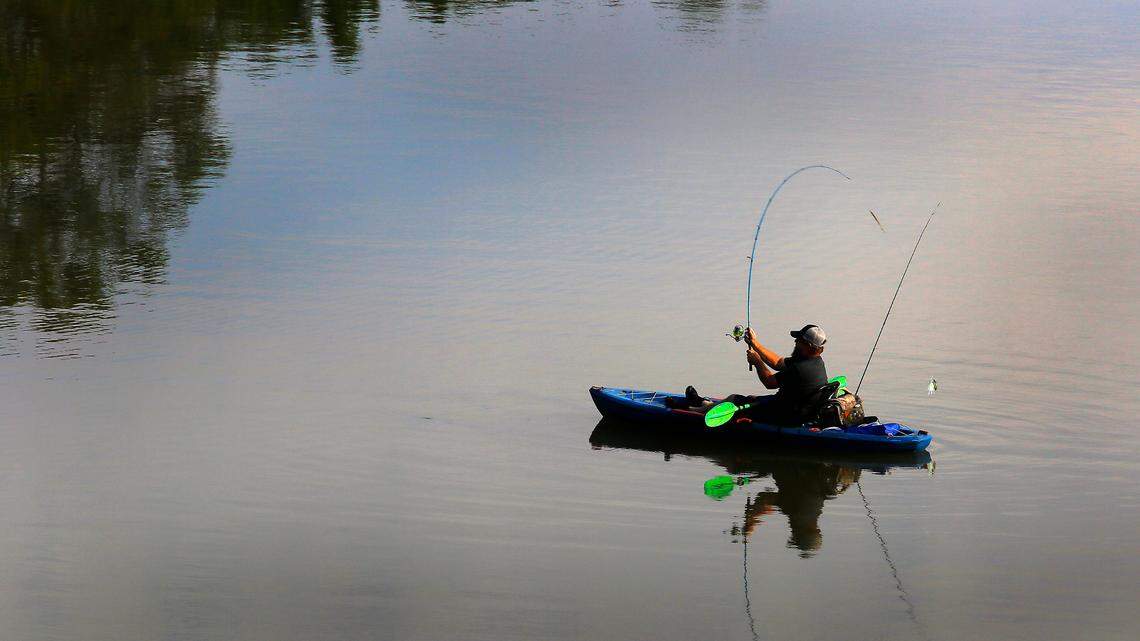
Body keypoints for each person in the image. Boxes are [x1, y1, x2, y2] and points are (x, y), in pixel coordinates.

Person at [668, 324, 830, 425]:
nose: (795, 342)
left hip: (785, 415)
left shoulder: (800, 369)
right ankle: (703, 403)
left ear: (808, 345)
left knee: (734, 401)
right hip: (791, 409)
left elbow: (769, 382)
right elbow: (778, 362)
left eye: (799, 340)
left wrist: (757, 361)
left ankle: (689, 411)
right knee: (750, 399)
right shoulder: (815, 362)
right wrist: (755, 343)